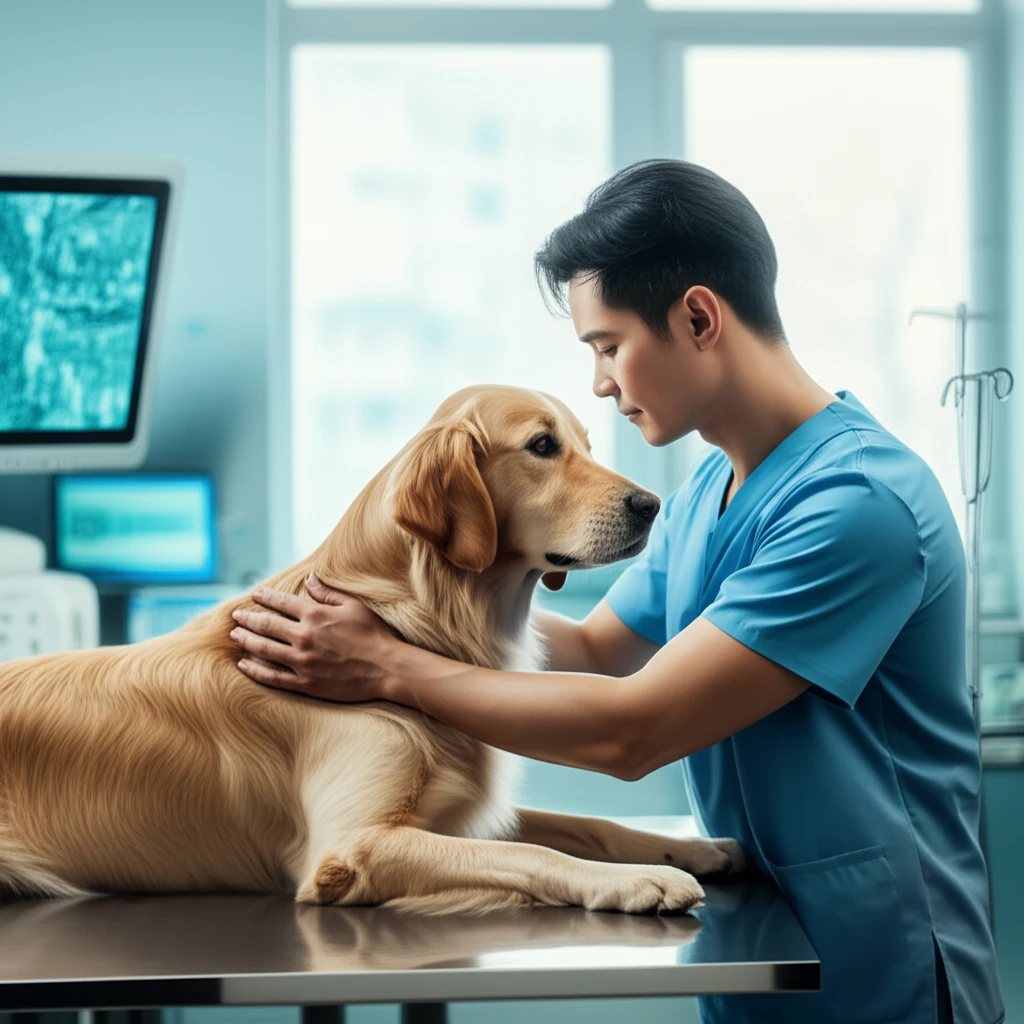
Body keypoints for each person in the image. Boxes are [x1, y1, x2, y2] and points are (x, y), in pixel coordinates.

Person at [228, 159, 1003, 1024]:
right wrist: (408, 604)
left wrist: (385, 668)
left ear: (699, 317)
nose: (601, 382)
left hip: (875, 964)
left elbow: (636, 729)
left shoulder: (857, 506)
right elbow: (597, 649)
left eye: (608, 346)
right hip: (757, 942)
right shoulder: (711, 491)